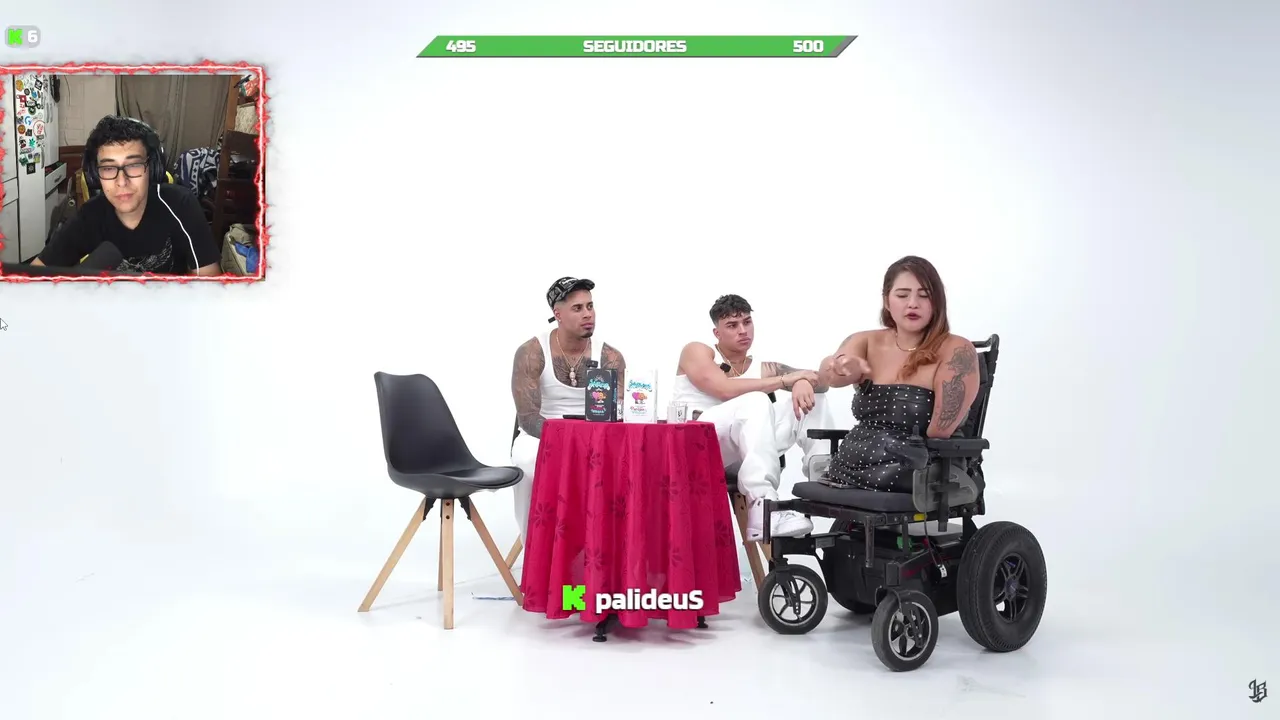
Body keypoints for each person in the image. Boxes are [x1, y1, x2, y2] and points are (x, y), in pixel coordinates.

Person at [671, 294, 835, 540]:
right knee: (756, 400)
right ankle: (763, 505)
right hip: (698, 448)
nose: (742, 330)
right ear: (717, 333)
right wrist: (785, 381)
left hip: (743, 451)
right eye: (732, 325)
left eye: (747, 322)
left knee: (814, 399)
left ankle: (822, 476)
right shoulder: (697, 351)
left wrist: (802, 382)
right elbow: (724, 389)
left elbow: (821, 383)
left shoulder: (763, 367)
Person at [816, 256, 981, 494]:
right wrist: (837, 367)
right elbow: (830, 377)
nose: (912, 304)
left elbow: (939, 432)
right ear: (887, 300)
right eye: (902, 295)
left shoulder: (957, 350)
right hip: (848, 464)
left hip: (919, 467)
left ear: (937, 302)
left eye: (924, 295)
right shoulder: (865, 340)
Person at [509, 277, 626, 538]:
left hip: (594, 435)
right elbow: (528, 417)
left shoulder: (610, 357)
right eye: (577, 308)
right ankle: (533, 546)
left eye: (590, 306)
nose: (588, 314)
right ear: (558, 314)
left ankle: (602, 546)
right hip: (541, 434)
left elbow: (616, 414)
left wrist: (585, 442)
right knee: (528, 461)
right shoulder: (531, 352)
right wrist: (568, 441)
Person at [33, 116, 222, 275]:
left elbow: (207, 285)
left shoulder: (180, 205)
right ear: (95, 175)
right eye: (108, 168)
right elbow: (34, 276)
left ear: (152, 168)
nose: (122, 181)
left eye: (133, 165)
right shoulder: (90, 215)